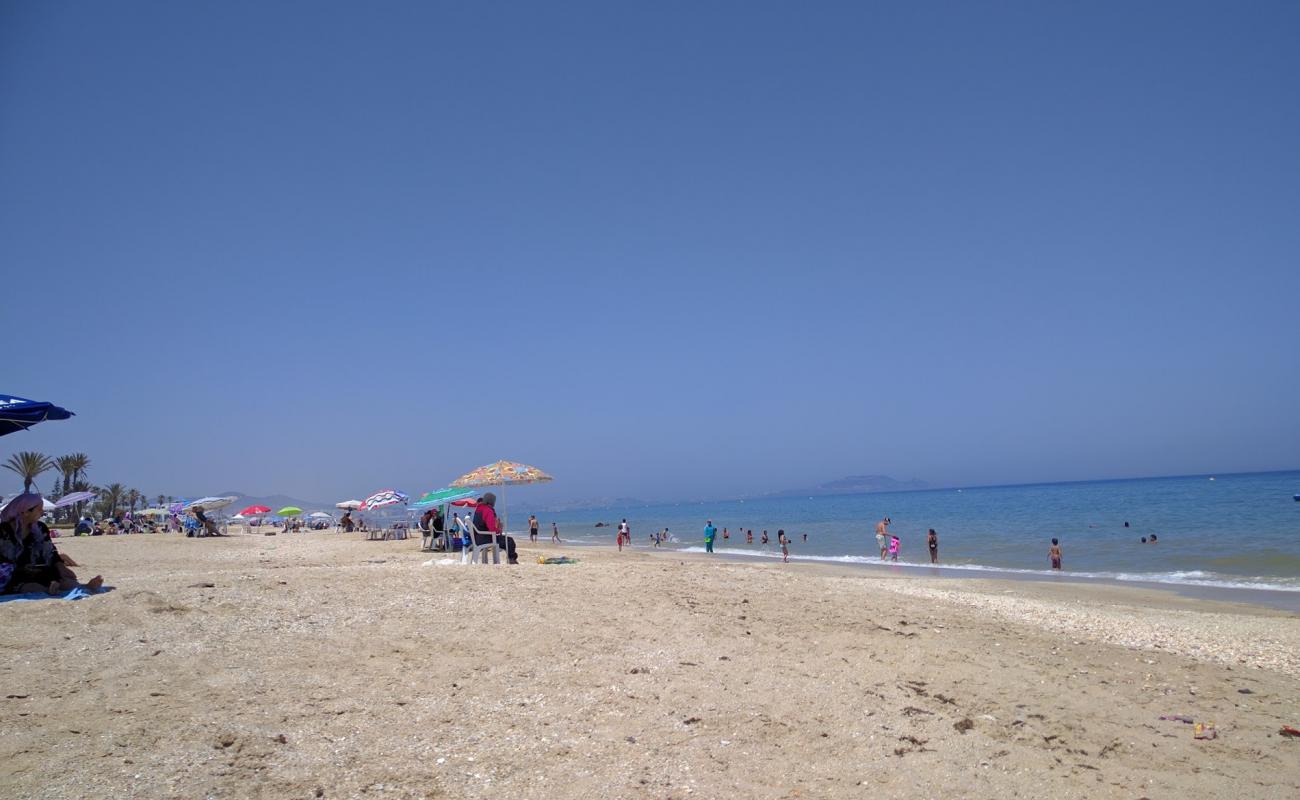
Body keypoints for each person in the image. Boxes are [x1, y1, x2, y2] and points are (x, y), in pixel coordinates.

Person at [0, 494, 103, 595]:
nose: (42, 512)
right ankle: (48, 590)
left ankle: (85, 587)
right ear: (26, 512)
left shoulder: (41, 528)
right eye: (39, 509)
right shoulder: (3, 531)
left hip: (39, 571)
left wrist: (60, 566)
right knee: (32, 587)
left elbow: (51, 551)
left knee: (66, 582)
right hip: (12, 575)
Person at [471, 493, 517, 564]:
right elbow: (492, 529)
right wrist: (499, 529)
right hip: (485, 539)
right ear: (491, 501)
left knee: (505, 541)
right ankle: (512, 559)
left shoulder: (478, 509)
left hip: (478, 537)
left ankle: (511, 558)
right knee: (510, 541)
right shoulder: (488, 510)